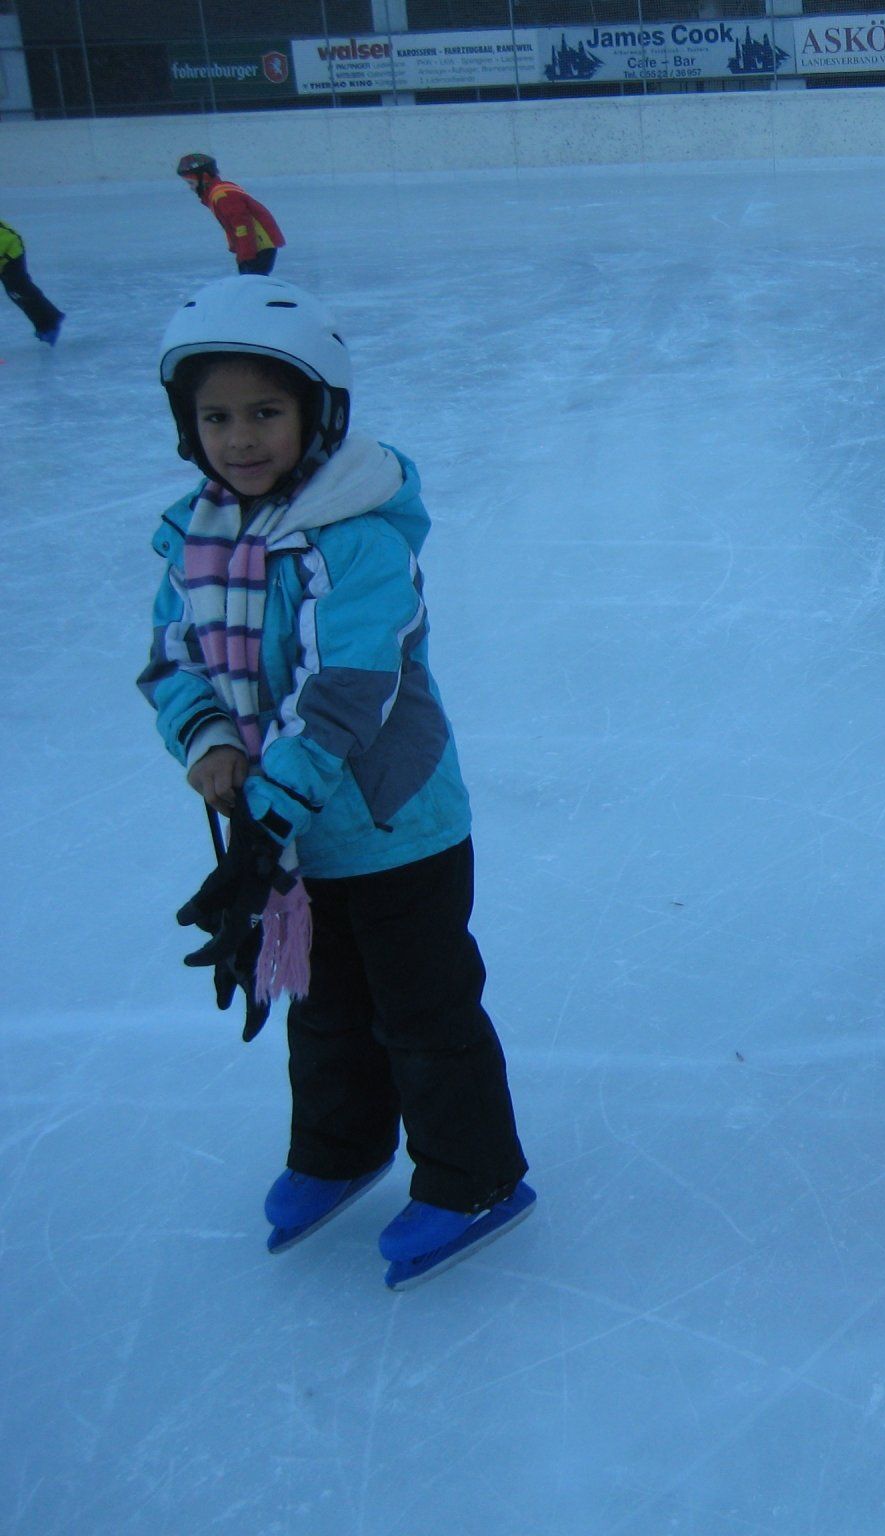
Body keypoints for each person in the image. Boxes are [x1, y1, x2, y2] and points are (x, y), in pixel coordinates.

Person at [139, 275, 533, 1289]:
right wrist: (208, 745)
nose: (240, 437)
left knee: (423, 1012)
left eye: (265, 412)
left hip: (395, 826)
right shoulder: (195, 538)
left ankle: (473, 1174)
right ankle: (341, 1147)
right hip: (290, 831)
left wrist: (269, 802)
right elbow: (172, 658)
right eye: (215, 416)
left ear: (318, 414)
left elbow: (349, 691)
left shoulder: (360, 536)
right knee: (319, 1003)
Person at [176, 153, 285, 275]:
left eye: (191, 183)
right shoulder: (218, 192)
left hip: (258, 245)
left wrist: (246, 254)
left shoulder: (223, 196)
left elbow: (242, 226)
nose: (191, 188)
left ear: (205, 177)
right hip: (255, 245)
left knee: (253, 281)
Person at [0, 217, 64, 344]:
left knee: (18, 290)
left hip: (10, 250)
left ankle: (50, 321)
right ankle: (48, 322)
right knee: (16, 291)